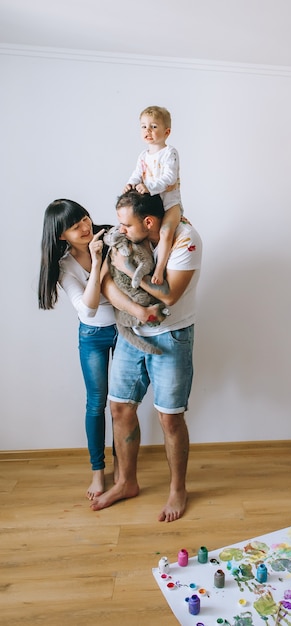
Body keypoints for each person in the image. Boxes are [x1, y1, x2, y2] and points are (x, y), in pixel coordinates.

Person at [38, 199, 164, 500]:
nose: (84, 226)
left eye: (83, 218)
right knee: (95, 403)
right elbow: (88, 310)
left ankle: (123, 471)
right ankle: (98, 471)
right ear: (60, 236)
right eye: (74, 226)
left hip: (126, 330)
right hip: (93, 335)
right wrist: (96, 264)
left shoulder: (110, 236)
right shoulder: (65, 266)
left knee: (120, 404)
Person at [91, 190, 202, 522]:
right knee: (119, 408)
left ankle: (177, 489)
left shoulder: (186, 239)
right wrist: (137, 309)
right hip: (131, 332)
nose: (119, 230)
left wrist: (128, 267)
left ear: (149, 223)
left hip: (172, 335)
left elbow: (169, 295)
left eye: (126, 225)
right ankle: (126, 482)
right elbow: (108, 282)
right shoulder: (126, 239)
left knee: (170, 417)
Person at [124, 105, 182, 286]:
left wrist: (148, 186)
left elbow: (169, 178)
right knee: (141, 231)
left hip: (169, 204)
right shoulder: (143, 155)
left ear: (167, 131)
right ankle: (142, 265)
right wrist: (131, 183)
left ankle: (160, 268)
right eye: (143, 126)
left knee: (165, 232)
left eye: (154, 126)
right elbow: (137, 173)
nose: (147, 130)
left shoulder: (169, 153)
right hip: (151, 206)